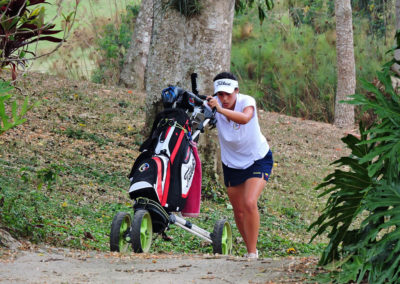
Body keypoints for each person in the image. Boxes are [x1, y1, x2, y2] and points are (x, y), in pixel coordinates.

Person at [207, 71, 273, 259]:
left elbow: (245, 118)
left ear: (236, 90)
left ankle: (252, 254)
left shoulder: (247, 101)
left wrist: (219, 109)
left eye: (228, 94)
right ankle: (250, 248)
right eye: (220, 94)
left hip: (257, 158)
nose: (225, 98)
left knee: (249, 202)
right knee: (239, 210)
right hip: (231, 163)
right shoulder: (213, 105)